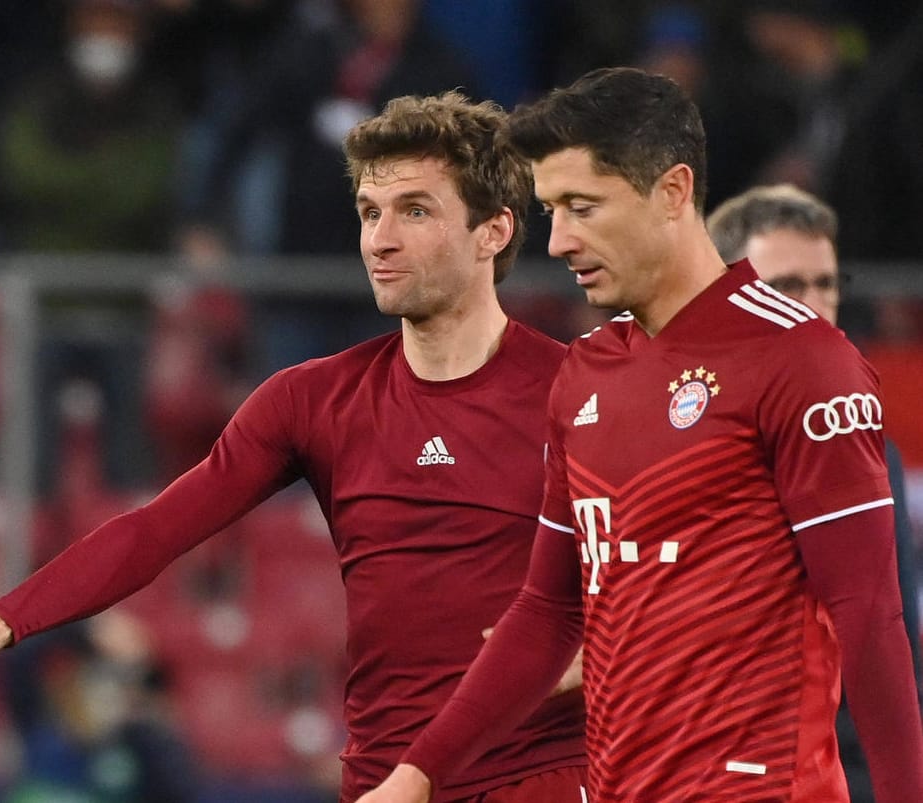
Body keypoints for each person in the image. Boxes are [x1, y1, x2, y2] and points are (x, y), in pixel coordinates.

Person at [0, 91, 590, 801]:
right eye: (369, 211)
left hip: (536, 778)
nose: (380, 238)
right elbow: (153, 532)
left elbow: (676, 594)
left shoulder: (578, 395)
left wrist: (584, 657)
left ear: (492, 231)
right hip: (379, 780)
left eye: (415, 210)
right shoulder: (313, 399)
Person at [357, 66, 923, 803]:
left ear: (672, 191)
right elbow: (546, 611)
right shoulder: (587, 372)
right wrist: (416, 775)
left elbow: (870, 616)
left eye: (582, 207)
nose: (557, 240)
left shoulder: (801, 362)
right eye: (550, 208)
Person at [706, 182, 923, 802]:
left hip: (835, 773)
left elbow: (893, 641)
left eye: (825, 284)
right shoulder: (667, 442)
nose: (813, 306)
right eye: (786, 288)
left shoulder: (872, 451)